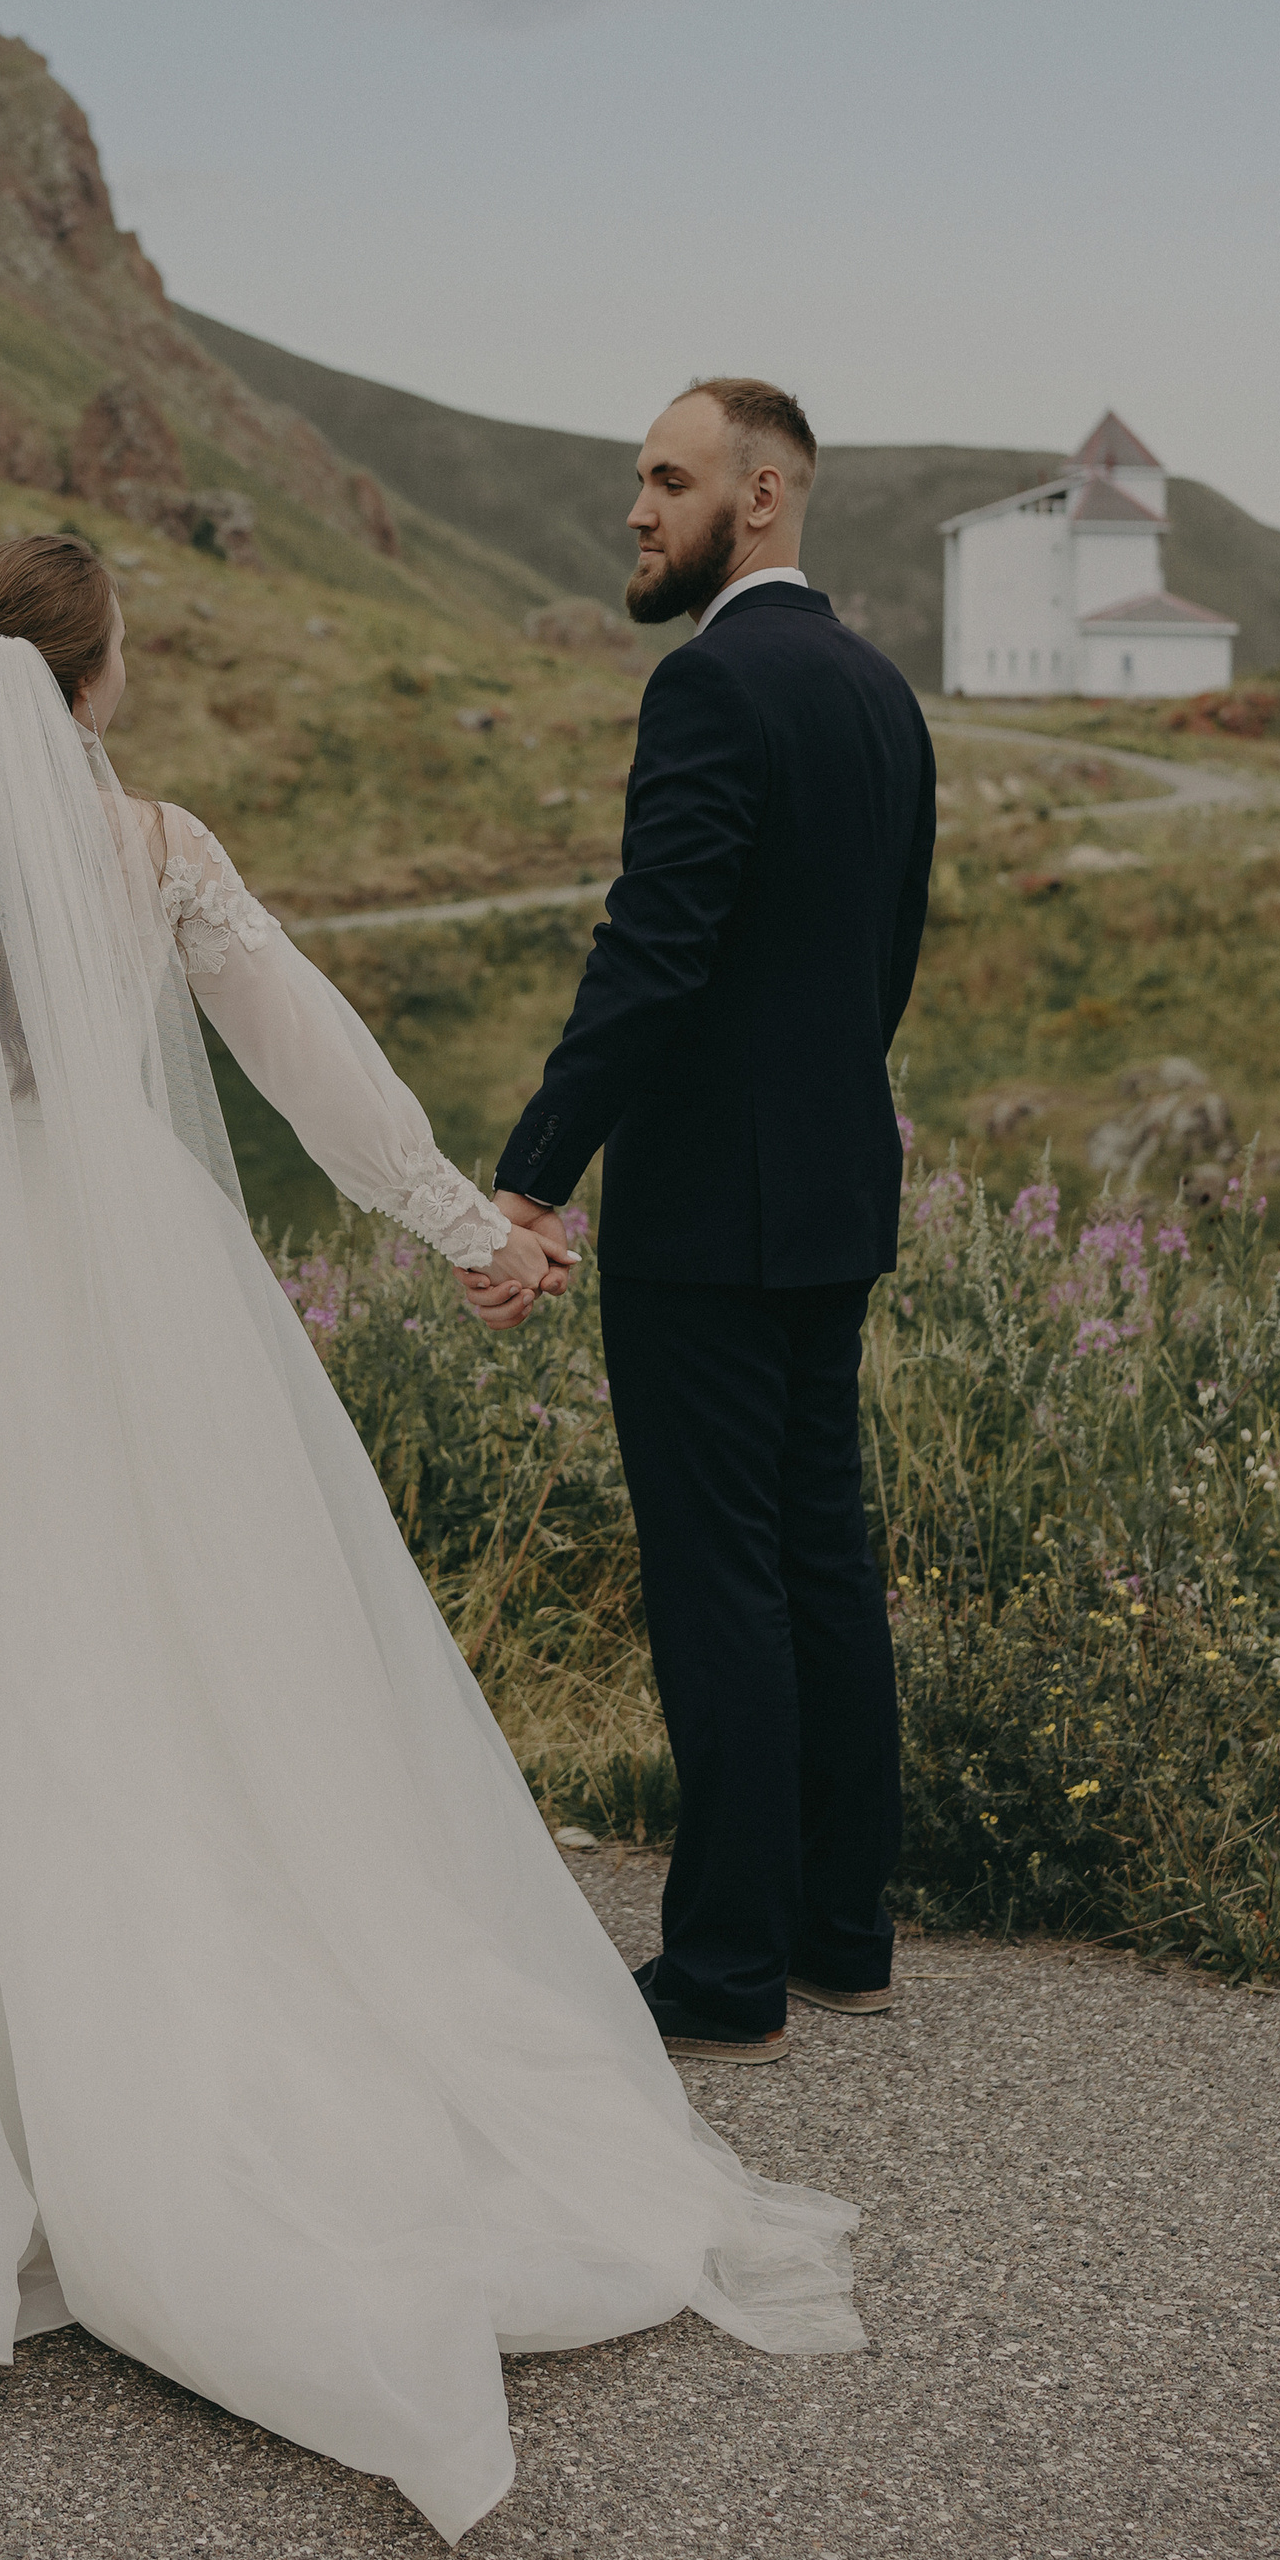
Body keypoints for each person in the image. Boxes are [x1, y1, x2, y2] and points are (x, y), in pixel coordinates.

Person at [0, 534, 863, 2547]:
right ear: (91, 685)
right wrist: (471, 1225)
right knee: (178, 1663)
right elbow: (304, 1053)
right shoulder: (155, 849)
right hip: (138, 1303)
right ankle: (167, 2066)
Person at [482, 381, 936, 2065]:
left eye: (666, 481)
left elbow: (650, 955)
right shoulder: (885, 694)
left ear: (760, 498)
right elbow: (885, 960)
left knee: (716, 1576)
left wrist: (533, 1174)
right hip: (833, 1192)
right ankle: (844, 1933)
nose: (636, 510)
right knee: (825, 1553)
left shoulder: (709, 685)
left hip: (704, 1221)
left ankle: (730, 1968)